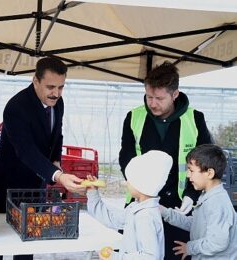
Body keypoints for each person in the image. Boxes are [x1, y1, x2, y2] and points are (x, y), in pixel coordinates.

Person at [0, 57, 85, 260]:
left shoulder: (58, 103)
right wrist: (57, 176)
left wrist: (56, 160)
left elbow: (57, 135)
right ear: (35, 81)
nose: (55, 93)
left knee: (29, 238)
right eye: (50, 86)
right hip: (6, 185)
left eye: (61, 87)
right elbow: (25, 151)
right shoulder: (16, 107)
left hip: (35, 184)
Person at [118, 61, 212, 259]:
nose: (152, 103)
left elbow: (206, 160)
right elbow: (126, 157)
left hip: (179, 207)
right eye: (149, 96)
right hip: (141, 203)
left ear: (175, 94)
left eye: (159, 98)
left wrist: (191, 195)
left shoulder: (195, 119)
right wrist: (138, 188)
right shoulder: (134, 117)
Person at [86, 150, 173, 259]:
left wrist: (116, 257)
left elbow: (150, 256)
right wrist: (93, 193)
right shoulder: (135, 208)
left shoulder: (145, 216)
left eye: (130, 180)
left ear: (142, 185)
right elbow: (112, 219)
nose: (126, 183)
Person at [160, 144, 237, 259]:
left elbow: (217, 243)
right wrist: (165, 212)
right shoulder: (207, 196)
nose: (187, 175)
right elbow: (196, 224)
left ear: (209, 173)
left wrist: (189, 248)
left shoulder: (217, 203)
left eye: (191, 171)